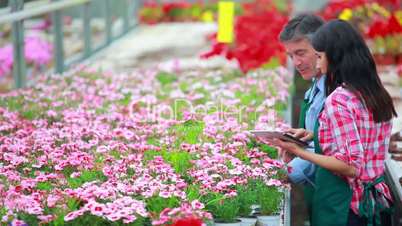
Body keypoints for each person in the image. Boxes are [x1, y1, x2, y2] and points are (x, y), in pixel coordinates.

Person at [271, 19, 397, 226]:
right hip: (374, 202)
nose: (318, 64)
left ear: (335, 55)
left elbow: (350, 165)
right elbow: (360, 143)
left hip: (346, 205)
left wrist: (297, 152)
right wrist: (314, 135)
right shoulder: (375, 92)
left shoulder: (339, 98)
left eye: (319, 56)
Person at [278, 14, 325, 220]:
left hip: (337, 201)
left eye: (301, 53)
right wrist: (300, 142)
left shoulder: (336, 94)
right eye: (290, 56)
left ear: (322, 48)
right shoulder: (316, 84)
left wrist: (287, 168)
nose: (296, 62)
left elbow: (345, 161)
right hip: (319, 191)